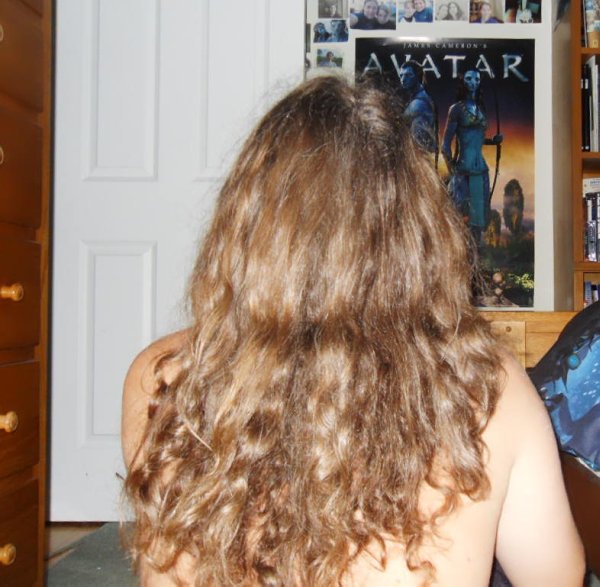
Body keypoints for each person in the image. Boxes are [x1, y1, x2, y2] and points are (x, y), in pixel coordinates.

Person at [122, 75, 584, 586]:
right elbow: (556, 577)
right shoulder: (491, 389)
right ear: (422, 233)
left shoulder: (161, 377)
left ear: (247, 221)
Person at [442, 69, 503, 246]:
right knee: (460, 218)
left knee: (477, 222)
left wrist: (493, 141)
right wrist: (452, 170)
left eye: (476, 79)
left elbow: (476, 139)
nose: (473, 82)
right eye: (468, 78)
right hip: (463, 172)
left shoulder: (480, 109)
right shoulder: (456, 109)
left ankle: (476, 258)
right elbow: (445, 145)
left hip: (481, 172)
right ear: (463, 81)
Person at [398, 60, 437, 153]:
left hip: (420, 156)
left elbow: (420, 143)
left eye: (408, 75)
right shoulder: (417, 98)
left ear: (418, 76)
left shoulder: (418, 104)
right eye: (401, 75)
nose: (403, 79)